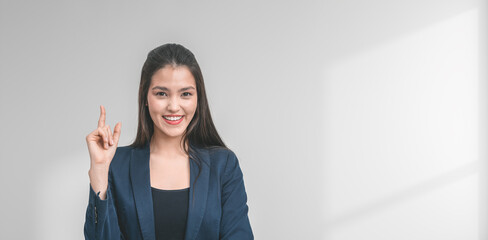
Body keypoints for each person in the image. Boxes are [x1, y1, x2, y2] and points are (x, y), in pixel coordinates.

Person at [83, 43, 254, 240]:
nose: (174, 106)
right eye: (161, 94)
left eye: (186, 94)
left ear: (198, 98)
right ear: (145, 97)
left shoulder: (223, 165)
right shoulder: (117, 164)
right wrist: (99, 171)